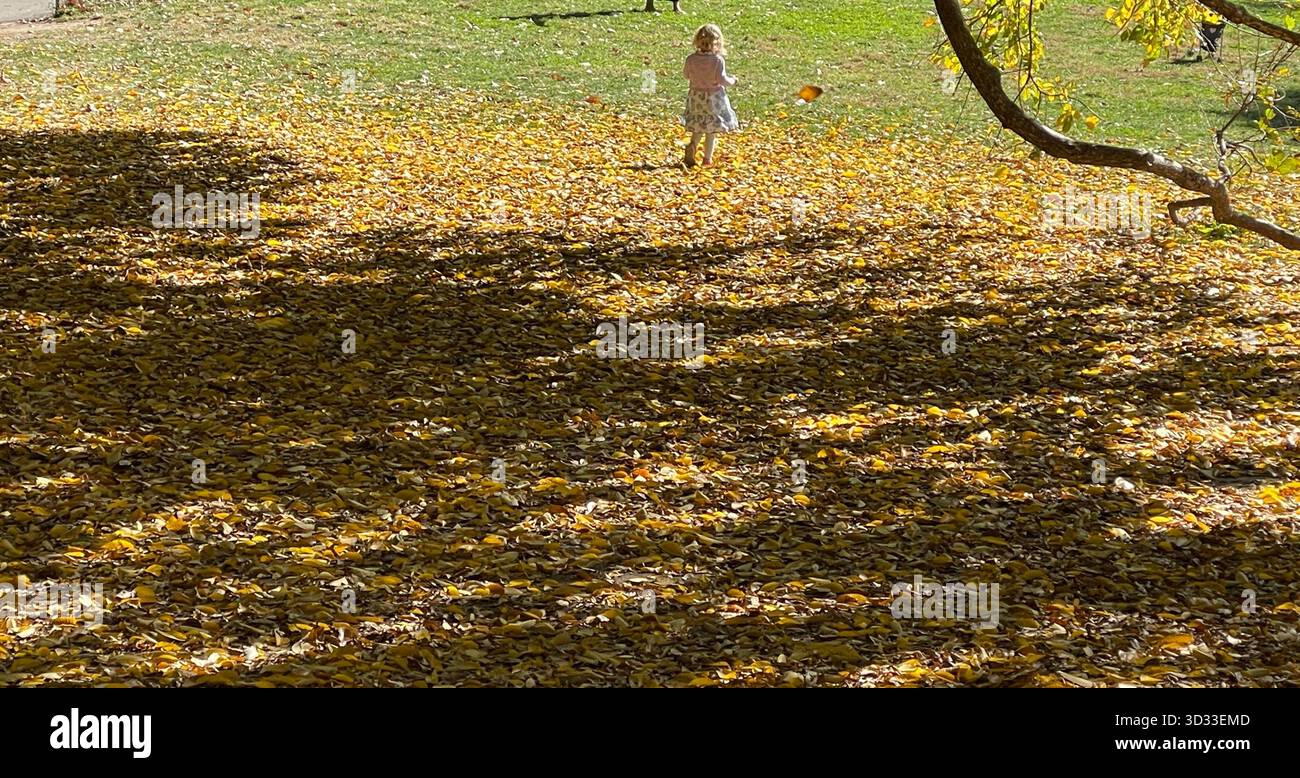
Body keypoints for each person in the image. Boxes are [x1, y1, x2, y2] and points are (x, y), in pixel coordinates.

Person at [682, 24, 739, 168]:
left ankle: (693, 145)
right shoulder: (717, 61)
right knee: (711, 130)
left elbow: (686, 75)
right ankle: (707, 159)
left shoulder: (691, 59)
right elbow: (721, 80)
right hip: (713, 99)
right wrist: (732, 81)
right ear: (717, 43)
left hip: (696, 96)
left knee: (699, 125)